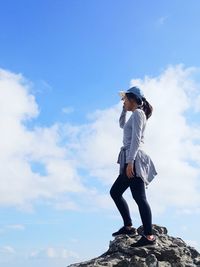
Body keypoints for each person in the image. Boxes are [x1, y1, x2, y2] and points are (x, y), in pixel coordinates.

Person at [110, 86, 157, 247]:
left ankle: (149, 236)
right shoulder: (134, 115)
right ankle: (129, 227)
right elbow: (122, 126)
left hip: (135, 159)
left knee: (139, 197)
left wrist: (130, 162)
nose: (123, 101)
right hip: (131, 158)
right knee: (116, 192)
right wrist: (123, 110)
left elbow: (136, 139)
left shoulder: (138, 113)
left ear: (132, 99)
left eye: (125, 99)